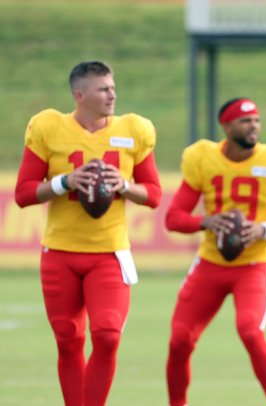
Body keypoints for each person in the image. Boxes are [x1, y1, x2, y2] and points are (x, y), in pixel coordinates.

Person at [14, 61, 162, 406]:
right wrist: (66, 181)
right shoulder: (49, 126)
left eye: (112, 87)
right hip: (60, 252)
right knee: (68, 338)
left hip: (109, 253)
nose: (112, 94)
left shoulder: (134, 129)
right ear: (79, 95)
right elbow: (23, 193)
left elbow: (153, 194)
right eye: (103, 89)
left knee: (108, 335)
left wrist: (123, 185)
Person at [164, 98, 266, 406]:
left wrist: (264, 229)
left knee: (250, 331)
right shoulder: (204, 158)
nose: (253, 126)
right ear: (226, 126)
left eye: (256, 120)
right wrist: (205, 221)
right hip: (210, 263)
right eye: (245, 121)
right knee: (179, 339)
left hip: (253, 264)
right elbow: (173, 218)